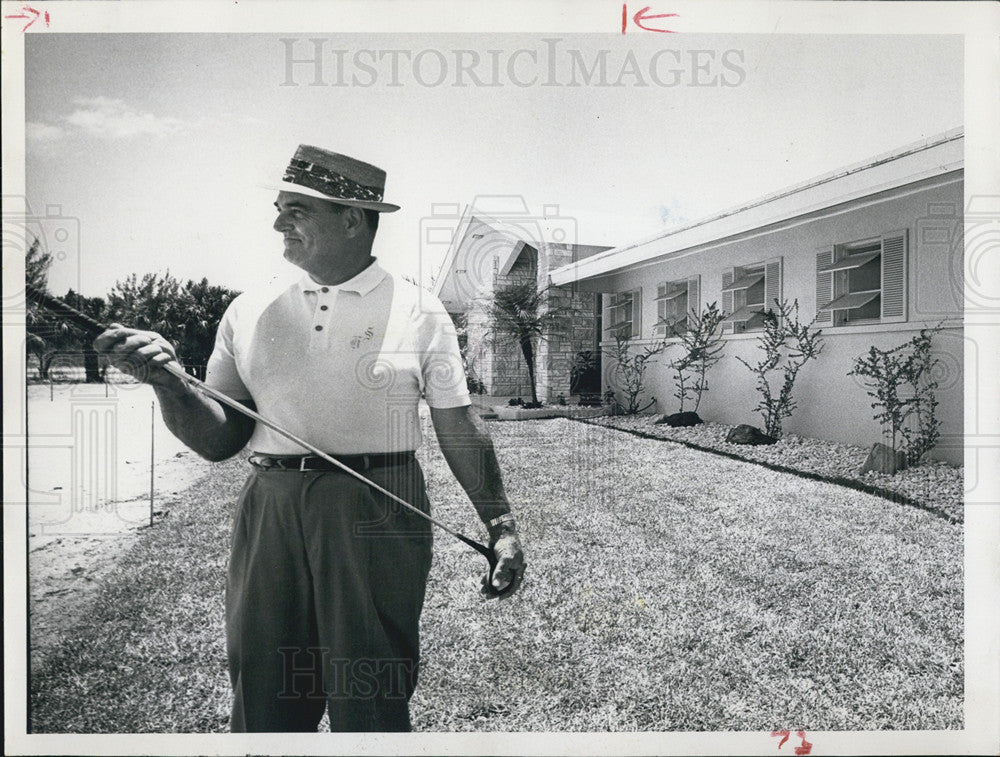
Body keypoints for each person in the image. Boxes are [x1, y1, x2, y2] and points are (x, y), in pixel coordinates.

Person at [93, 145, 525, 733]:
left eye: (296, 208)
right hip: (270, 510)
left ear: (352, 218)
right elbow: (221, 441)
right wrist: (166, 385)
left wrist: (500, 526)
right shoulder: (247, 310)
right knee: (264, 699)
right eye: (278, 207)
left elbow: (458, 424)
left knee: (370, 698)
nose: (277, 223)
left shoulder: (422, 310)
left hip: (379, 507)